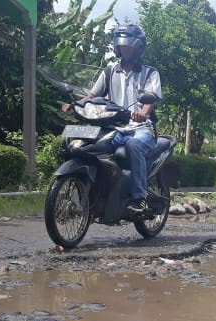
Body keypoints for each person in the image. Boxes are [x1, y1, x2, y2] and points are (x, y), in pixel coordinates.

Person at [63, 23, 162, 215]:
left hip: (141, 129)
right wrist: (75, 104)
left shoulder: (150, 72)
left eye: (129, 45)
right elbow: (92, 96)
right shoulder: (109, 71)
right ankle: (98, 191)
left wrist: (143, 113)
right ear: (117, 47)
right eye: (122, 45)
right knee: (88, 145)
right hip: (114, 128)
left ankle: (138, 198)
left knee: (134, 146)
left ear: (138, 47)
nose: (125, 49)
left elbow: (151, 98)